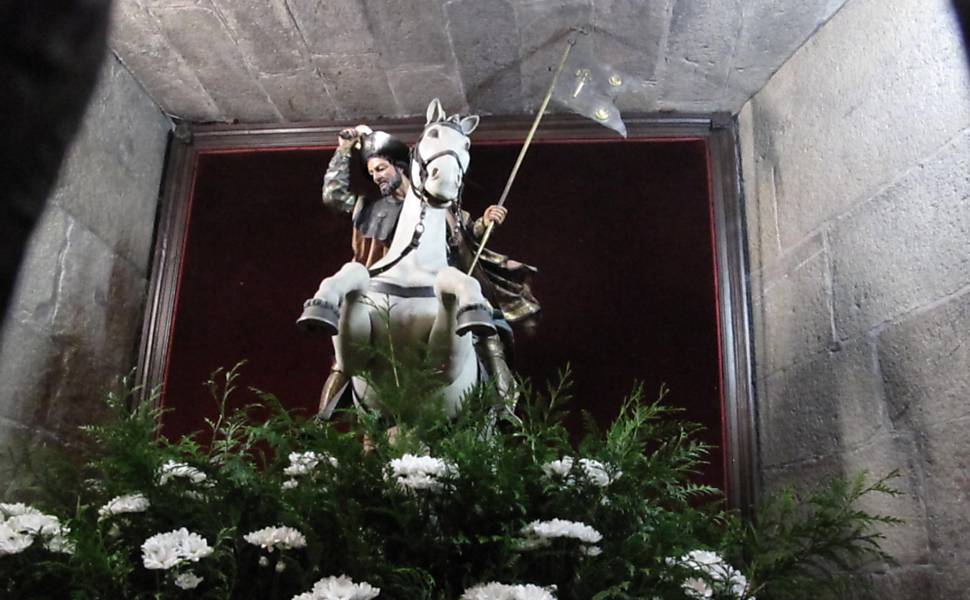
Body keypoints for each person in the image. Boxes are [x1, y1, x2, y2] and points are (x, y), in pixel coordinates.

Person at [315, 127, 540, 417]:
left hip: (442, 280)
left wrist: (485, 222)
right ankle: (326, 414)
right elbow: (334, 196)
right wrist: (344, 149)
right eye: (372, 173)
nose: (377, 177)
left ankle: (503, 408)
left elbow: (467, 233)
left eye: (381, 168)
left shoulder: (444, 206)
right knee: (345, 347)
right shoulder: (370, 208)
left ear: (401, 167)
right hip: (384, 289)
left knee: (492, 333)